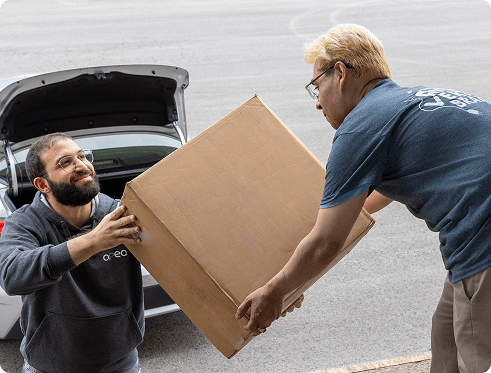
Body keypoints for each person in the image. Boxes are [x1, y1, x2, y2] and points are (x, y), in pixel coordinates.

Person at [235, 24, 491, 373]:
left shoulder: (360, 125)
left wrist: (277, 291)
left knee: (477, 356)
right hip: (478, 247)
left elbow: (327, 240)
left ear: (339, 73)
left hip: (482, 249)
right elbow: (359, 210)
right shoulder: (418, 103)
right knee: (445, 338)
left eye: (316, 86)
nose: (317, 103)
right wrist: (292, 279)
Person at [0, 133, 143, 373]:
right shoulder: (24, 223)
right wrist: (94, 242)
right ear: (42, 184)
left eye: (82, 156)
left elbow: (179, 261)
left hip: (121, 364)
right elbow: (12, 276)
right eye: (65, 162)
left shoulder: (121, 215)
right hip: (49, 367)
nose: (82, 165)